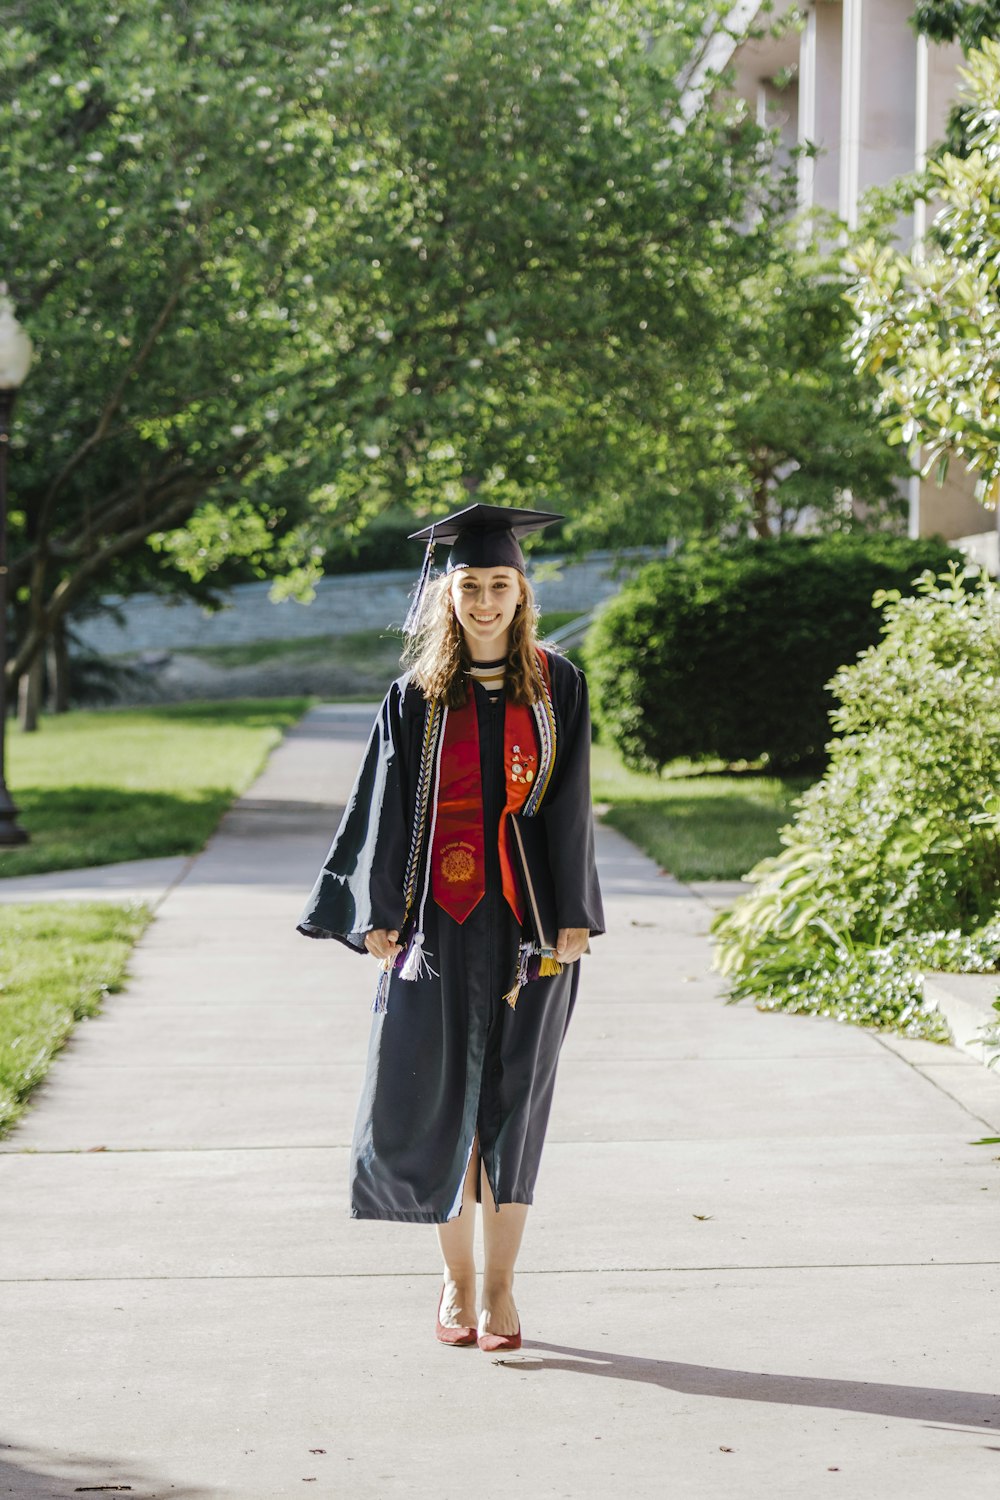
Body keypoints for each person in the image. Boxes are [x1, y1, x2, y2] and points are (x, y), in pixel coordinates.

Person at [297, 503, 605, 1352]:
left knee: (514, 1102)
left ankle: (501, 1287)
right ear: (446, 592)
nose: (484, 600)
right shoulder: (415, 695)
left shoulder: (558, 685)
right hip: (436, 926)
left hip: (531, 924)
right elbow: (383, 808)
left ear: (521, 591)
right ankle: (455, 1281)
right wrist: (377, 920)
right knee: (441, 1099)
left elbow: (573, 805)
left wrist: (576, 913)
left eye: (499, 584)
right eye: (469, 585)